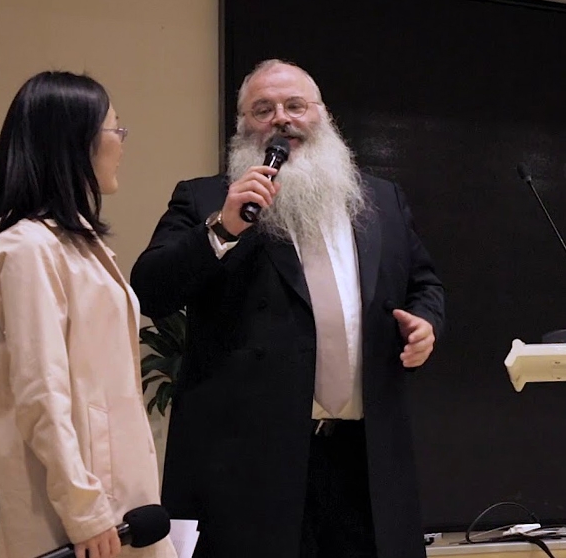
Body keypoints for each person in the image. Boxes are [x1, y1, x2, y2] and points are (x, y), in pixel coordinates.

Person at [130, 59, 445, 558]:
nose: (281, 118)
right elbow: (151, 290)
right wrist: (222, 228)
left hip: (366, 459)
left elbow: (424, 284)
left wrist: (425, 323)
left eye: (295, 105)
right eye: (263, 109)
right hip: (254, 467)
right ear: (243, 127)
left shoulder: (381, 200)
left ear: (321, 115)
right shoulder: (207, 198)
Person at [0, 71, 177, 558]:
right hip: (78, 511)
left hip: (114, 501)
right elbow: (40, 390)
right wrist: (84, 509)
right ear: (75, 142)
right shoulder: (28, 248)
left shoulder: (74, 243)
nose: (122, 144)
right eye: (115, 130)